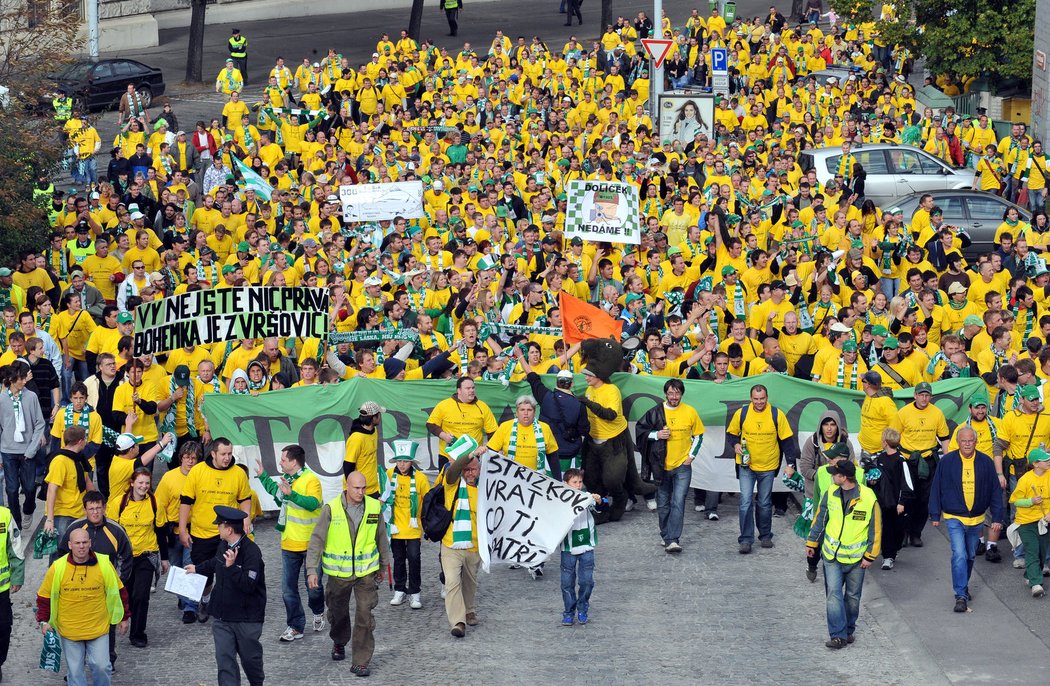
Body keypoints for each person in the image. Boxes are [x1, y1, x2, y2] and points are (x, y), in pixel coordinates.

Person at [306, 471, 391, 675]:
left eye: (364, 488)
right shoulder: (331, 509)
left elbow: (381, 536)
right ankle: (339, 640)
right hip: (338, 574)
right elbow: (317, 540)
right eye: (356, 488)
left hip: (365, 573)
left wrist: (384, 566)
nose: (361, 492)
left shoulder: (373, 507)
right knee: (338, 613)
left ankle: (361, 661)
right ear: (347, 485)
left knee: (364, 615)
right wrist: (311, 569)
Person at [37, 527, 129, 686]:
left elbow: (119, 591)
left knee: (102, 667)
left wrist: (124, 617)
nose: (81, 546)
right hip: (70, 630)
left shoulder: (104, 565)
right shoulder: (58, 567)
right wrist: (43, 621)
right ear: (70, 545)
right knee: (75, 672)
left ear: (90, 543)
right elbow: (44, 596)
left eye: (85, 542)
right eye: (77, 543)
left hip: (98, 628)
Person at [186, 506, 266, 686]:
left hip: (246, 619)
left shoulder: (252, 552)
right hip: (222, 617)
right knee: (225, 662)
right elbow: (217, 561)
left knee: (250, 661)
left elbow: (249, 585)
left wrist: (231, 569)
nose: (217, 528)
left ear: (229, 529)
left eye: (219, 526)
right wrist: (198, 568)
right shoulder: (223, 544)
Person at [254, 444, 326, 643]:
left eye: (283, 460)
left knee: (314, 587)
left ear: (294, 462)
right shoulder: (288, 480)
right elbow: (279, 499)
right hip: (288, 544)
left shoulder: (311, 480)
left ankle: (318, 610)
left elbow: (313, 504)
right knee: (288, 589)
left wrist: (291, 494)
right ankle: (295, 625)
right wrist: (263, 477)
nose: (280, 462)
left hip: (311, 544)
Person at [806, 461, 881, 649]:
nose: (831, 476)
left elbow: (876, 529)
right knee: (833, 594)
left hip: (857, 559)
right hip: (831, 557)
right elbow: (820, 520)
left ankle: (848, 630)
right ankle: (838, 635)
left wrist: (870, 555)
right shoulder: (830, 492)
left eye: (835, 474)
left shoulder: (868, 497)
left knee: (852, 598)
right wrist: (812, 543)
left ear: (844, 477)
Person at [929, 426, 1003, 612]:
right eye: (964, 441)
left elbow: (995, 490)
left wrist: (997, 517)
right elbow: (936, 487)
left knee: (970, 555)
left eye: (971, 440)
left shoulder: (985, 462)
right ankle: (960, 595)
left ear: (976, 442)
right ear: (958, 442)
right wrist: (935, 513)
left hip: (976, 518)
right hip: (954, 517)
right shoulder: (947, 462)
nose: (968, 444)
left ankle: (963, 586)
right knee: (960, 554)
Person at [179, 437, 253, 622]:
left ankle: (227, 607)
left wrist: (246, 518)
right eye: (223, 454)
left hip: (229, 534)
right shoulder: (197, 472)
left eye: (229, 453)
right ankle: (205, 598)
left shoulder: (238, 474)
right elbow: (186, 501)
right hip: (202, 533)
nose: (227, 458)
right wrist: (182, 529)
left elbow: (245, 498)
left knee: (229, 571)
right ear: (213, 454)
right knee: (204, 575)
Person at [727, 384, 798, 553]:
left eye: (762, 398)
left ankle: (765, 535)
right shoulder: (742, 413)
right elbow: (731, 434)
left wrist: (790, 464)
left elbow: (787, 441)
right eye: (756, 399)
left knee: (765, 503)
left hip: (768, 465)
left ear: (767, 397)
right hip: (746, 465)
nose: (759, 402)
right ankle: (745, 539)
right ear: (751, 398)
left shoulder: (776, 414)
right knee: (745, 502)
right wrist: (735, 444)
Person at [636, 378, 704, 553]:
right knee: (664, 503)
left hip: (682, 465)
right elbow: (640, 432)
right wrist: (657, 434)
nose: (674, 396)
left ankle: (673, 539)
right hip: (661, 466)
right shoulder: (655, 412)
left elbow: (698, 435)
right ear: (665, 393)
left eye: (677, 393)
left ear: (682, 394)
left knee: (678, 502)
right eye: (671, 393)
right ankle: (666, 535)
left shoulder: (690, 411)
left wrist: (691, 456)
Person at [106, 468, 168, 648]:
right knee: (127, 593)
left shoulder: (155, 503)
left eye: (147, 483)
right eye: (140, 482)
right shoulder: (119, 503)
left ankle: (138, 632)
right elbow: (111, 531)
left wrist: (164, 558)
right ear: (132, 483)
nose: (144, 486)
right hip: (124, 557)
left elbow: (160, 530)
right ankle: (125, 617)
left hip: (147, 555)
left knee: (141, 595)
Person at [891, 381, 950, 547]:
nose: (924, 398)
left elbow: (944, 438)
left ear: (930, 397)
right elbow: (893, 436)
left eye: (927, 395)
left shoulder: (937, 413)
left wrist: (948, 461)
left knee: (925, 499)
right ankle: (902, 533)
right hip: (907, 460)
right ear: (915, 395)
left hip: (928, 459)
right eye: (921, 395)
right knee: (906, 498)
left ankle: (916, 533)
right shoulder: (903, 413)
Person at [437, 436, 485, 638]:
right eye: (467, 469)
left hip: (475, 545)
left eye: (474, 468)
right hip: (451, 543)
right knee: (452, 582)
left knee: (470, 582)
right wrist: (470, 455)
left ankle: (469, 608)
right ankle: (458, 621)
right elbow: (454, 469)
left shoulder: (486, 488)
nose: (470, 473)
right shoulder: (452, 483)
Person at [155, 441, 202, 623]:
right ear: (181, 457)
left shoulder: (200, 477)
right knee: (176, 567)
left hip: (193, 530)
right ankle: (183, 598)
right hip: (171, 531)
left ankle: (190, 607)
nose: (190, 462)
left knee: (189, 565)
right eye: (187, 457)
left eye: (194, 458)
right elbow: (160, 505)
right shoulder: (169, 478)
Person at [0, 362, 47, 530]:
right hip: (8, 451)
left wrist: (32, 448)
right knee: (11, 490)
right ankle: (17, 522)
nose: (23, 382)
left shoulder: (31, 397)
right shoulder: (2, 398)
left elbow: (40, 423)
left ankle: (29, 509)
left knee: (29, 487)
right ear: (11, 379)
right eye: (20, 378)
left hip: (28, 450)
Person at [385, 439, 431, 610]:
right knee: (398, 559)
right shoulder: (388, 475)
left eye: (405, 461)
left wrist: (427, 528)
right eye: (399, 461)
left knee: (413, 559)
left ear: (411, 462)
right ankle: (399, 589)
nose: (402, 464)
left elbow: (427, 503)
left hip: (413, 528)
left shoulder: (421, 478)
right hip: (395, 526)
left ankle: (415, 592)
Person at [524, 364, 589, 476]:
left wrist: (520, 356)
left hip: (548, 451)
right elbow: (584, 430)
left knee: (550, 484)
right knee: (571, 485)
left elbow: (533, 379)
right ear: (571, 384)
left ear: (556, 382)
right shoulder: (579, 405)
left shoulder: (545, 396)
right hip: (571, 452)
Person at [863, 428, 910, 571]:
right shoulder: (880, 459)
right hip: (884, 502)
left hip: (897, 503)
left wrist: (902, 502)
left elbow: (906, 483)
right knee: (887, 529)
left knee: (898, 530)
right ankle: (887, 556)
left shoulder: (901, 460)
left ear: (885, 442)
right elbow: (875, 478)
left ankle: (894, 550)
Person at [560, 467, 602, 626]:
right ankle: (568, 612)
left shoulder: (586, 497)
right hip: (568, 548)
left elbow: (600, 507)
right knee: (567, 583)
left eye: (580, 482)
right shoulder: (560, 501)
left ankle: (583, 608)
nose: (578, 485)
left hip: (586, 546)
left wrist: (599, 500)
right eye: (574, 482)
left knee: (586, 582)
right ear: (566, 483)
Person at [426, 376, 498, 469]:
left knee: (473, 483)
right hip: (449, 456)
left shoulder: (483, 407)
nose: (471, 390)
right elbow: (430, 424)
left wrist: (491, 451)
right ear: (459, 390)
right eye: (468, 388)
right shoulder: (444, 405)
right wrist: (443, 435)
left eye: (473, 388)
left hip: (474, 457)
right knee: (448, 483)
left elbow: (493, 432)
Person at [44, 426, 95, 552]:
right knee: (60, 553)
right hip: (63, 516)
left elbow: (87, 481)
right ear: (80, 441)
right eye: (85, 439)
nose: (86, 442)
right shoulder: (60, 461)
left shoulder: (78, 458)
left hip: (79, 513)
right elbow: (51, 490)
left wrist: (98, 503)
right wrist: (50, 519)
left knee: (80, 552)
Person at [1008, 447, 1050, 597]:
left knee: (1042, 552)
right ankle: (1036, 584)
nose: (1048, 461)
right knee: (1032, 550)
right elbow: (1014, 500)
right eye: (1045, 460)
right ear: (1036, 464)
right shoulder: (1025, 479)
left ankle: (1029, 575)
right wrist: (1030, 501)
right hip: (1026, 522)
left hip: (1044, 521)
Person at [0, 499, 24, 683]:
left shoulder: (4, 515)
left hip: (1, 589)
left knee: (3, 629)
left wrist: (17, 575)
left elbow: (14, 546)